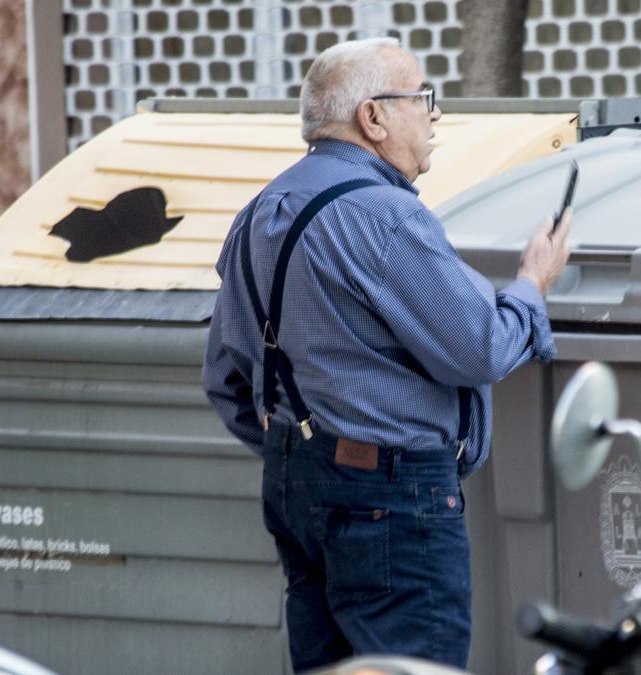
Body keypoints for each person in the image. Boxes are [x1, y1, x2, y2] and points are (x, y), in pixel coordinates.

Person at [201, 37, 571, 672]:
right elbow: (481, 349)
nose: (434, 116)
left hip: (296, 483)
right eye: (423, 98)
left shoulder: (258, 212)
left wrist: (309, 448)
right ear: (373, 117)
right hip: (392, 499)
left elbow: (226, 381)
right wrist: (533, 285)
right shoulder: (384, 216)